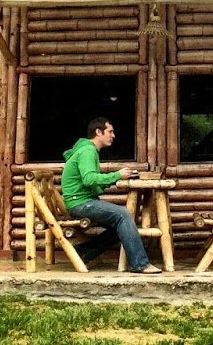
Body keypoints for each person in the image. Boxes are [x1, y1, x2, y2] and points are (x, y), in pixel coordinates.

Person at [60, 117, 162, 274]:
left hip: (80, 202)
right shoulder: (88, 151)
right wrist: (116, 175)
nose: (113, 135)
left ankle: (83, 253)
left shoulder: (87, 150)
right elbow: (89, 179)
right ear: (98, 132)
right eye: (110, 131)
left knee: (122, 224)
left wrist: (117, 178)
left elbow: (91, 182)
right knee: (123, 215)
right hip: (80, 204)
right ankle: (140, 264)